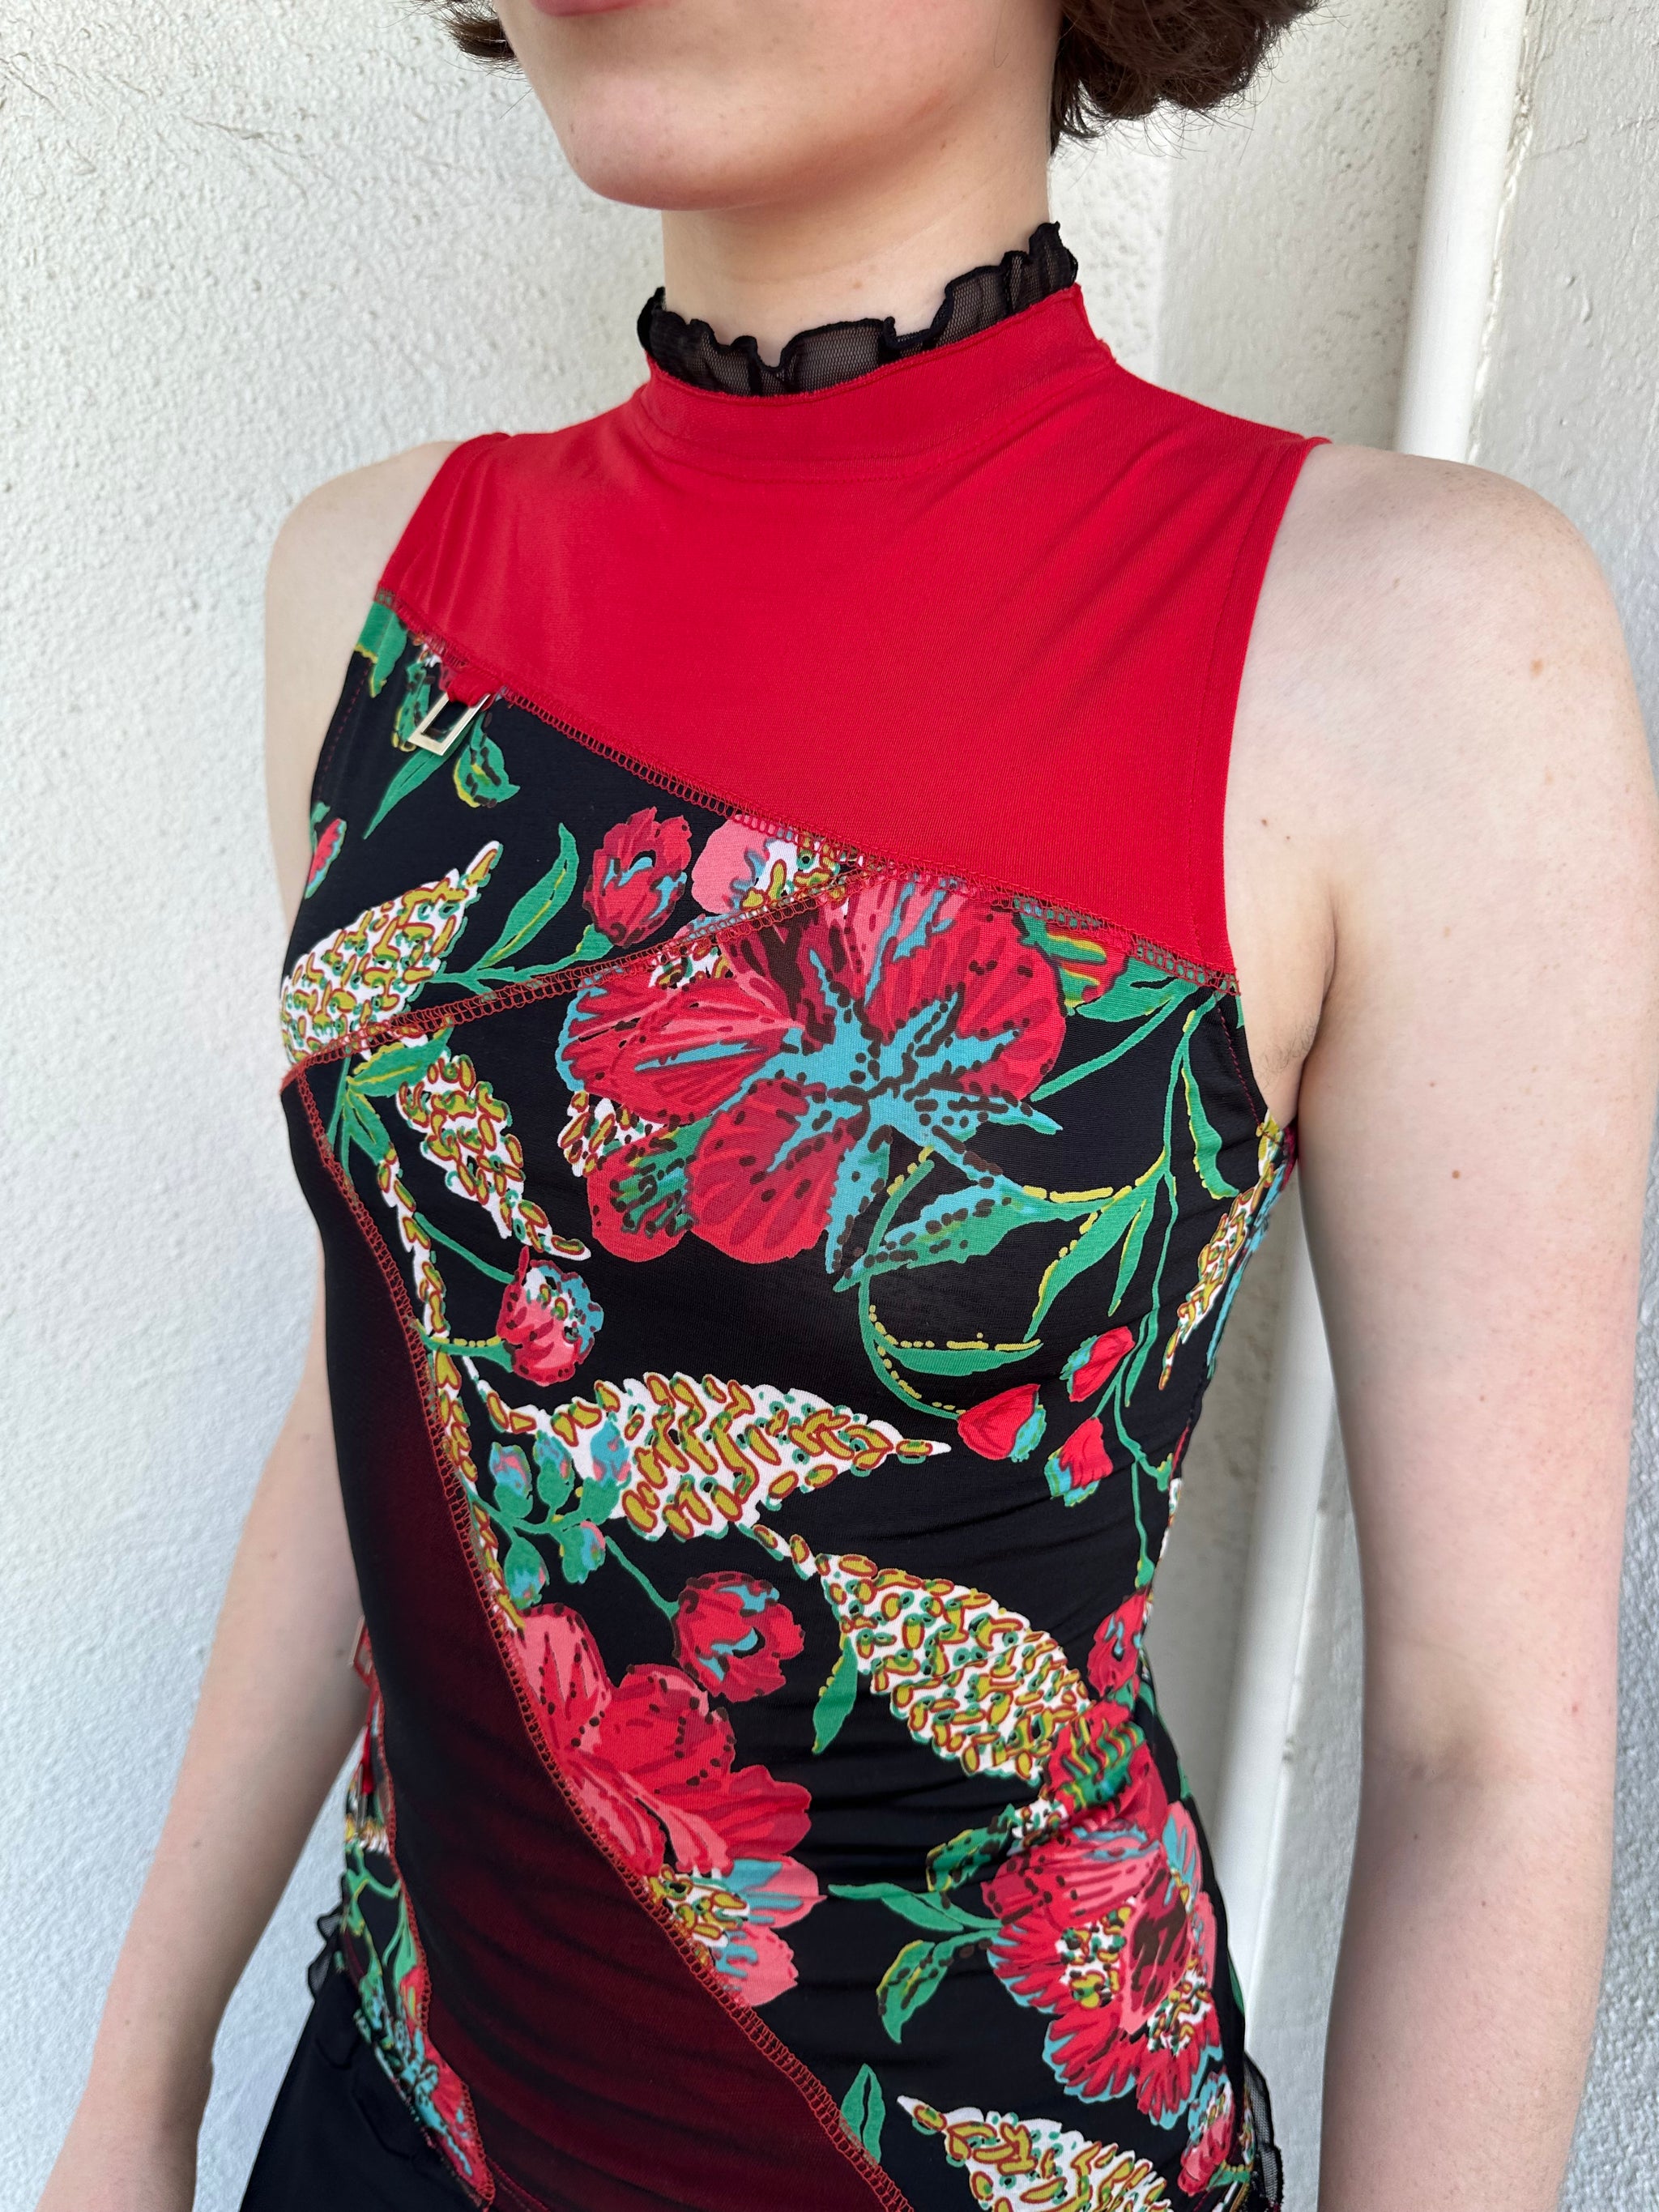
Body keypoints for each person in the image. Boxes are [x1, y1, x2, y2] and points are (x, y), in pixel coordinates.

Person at [38, 3, 1659, 2209]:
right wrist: (136, 2082)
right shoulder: (369, 589)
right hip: (393, 2144)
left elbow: (1491, 1752)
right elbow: (402, 1371)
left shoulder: (1423, 653)